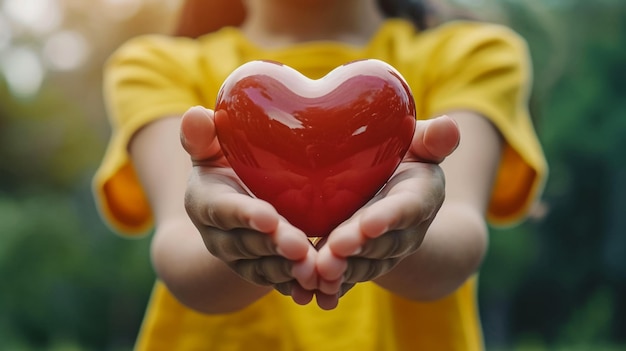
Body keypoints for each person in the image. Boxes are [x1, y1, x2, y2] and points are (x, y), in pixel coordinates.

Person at [92, 0, 547, 349]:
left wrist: (402, 229)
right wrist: (232, 235)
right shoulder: (154, 67)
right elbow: (180, 244)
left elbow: (459, 231)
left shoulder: (475, 54)